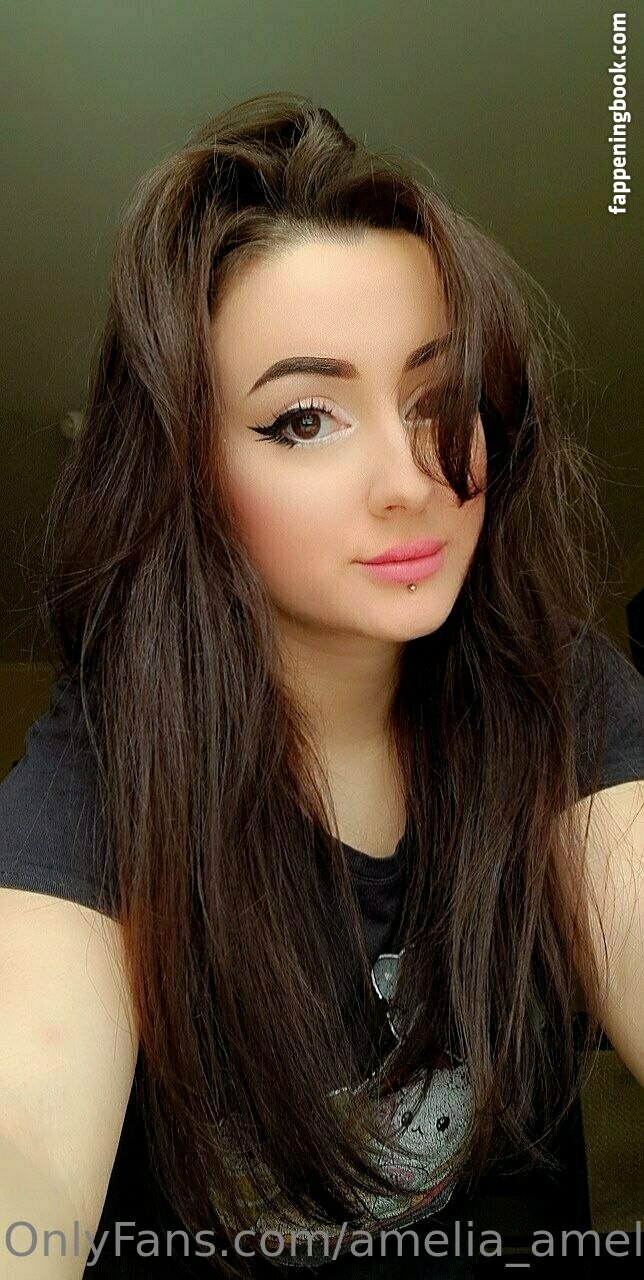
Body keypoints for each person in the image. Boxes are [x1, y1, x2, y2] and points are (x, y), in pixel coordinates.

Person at [0, 91, 642, 1280]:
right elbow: (24, 1135)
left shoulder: (559, 689)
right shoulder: (103, 769)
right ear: (187, 475)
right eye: (303, 418)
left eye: (436, 398)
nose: (408, 478)